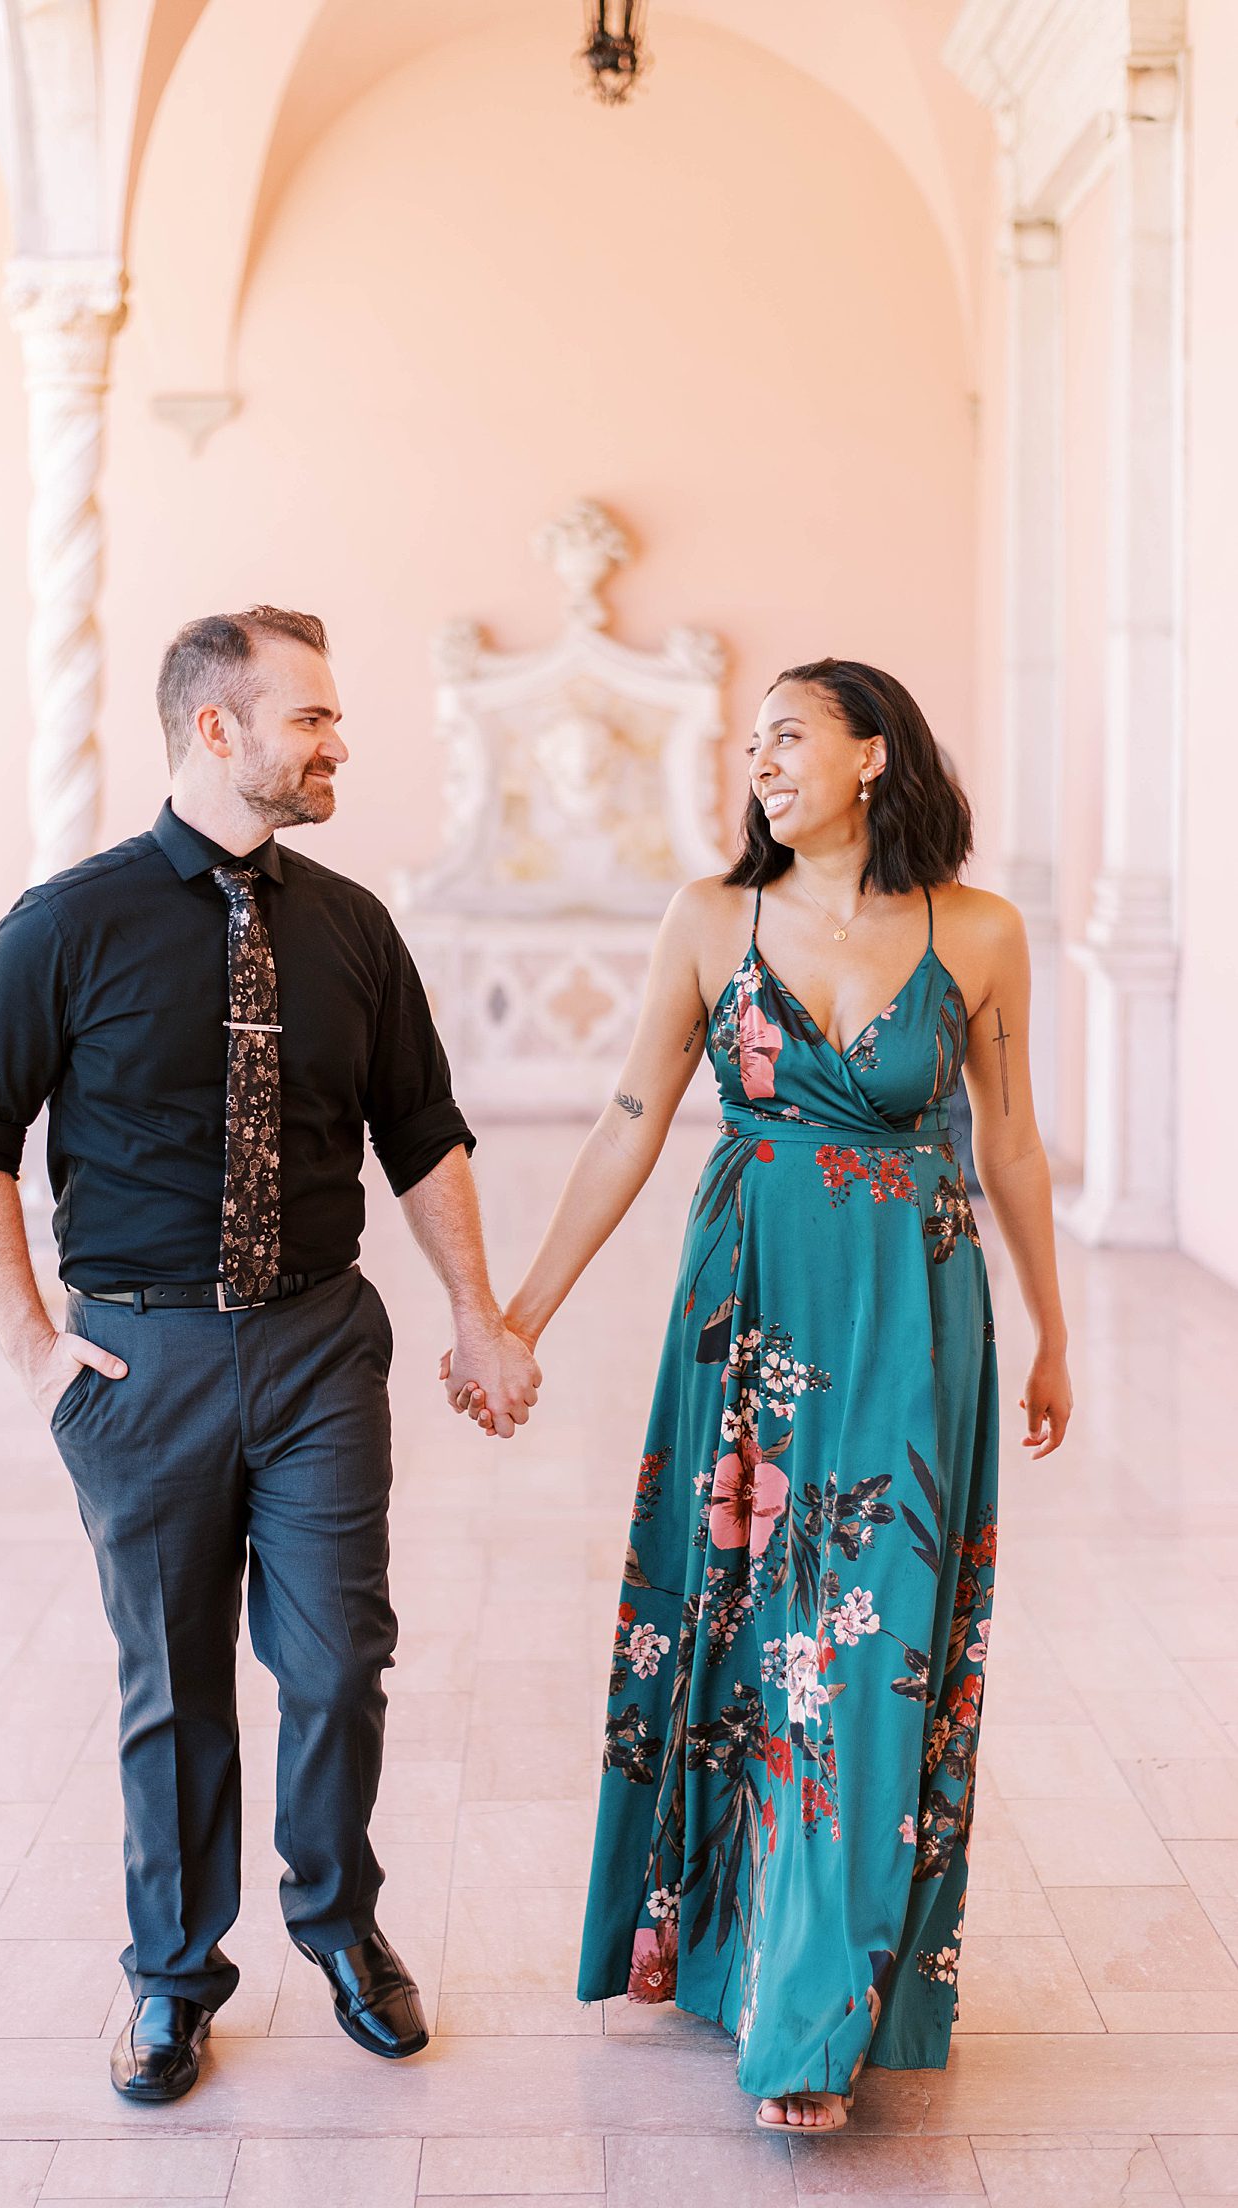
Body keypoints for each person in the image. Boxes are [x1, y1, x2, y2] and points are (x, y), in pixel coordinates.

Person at [0, 608, 540, 2102]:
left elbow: (423, 1136)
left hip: (324, 1346)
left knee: (340, 1662)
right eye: (312, 718)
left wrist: (474, 1308)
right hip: (141, 1367)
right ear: (219, 730)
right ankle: (173, 1979)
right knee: (173, 1682)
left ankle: (338, 1924)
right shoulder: (63, 927)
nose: (338, 744)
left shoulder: (351, 926)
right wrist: (32, 1352)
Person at [449, 657, 1072, 2132]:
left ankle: (813, 2013)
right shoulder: (706, 917)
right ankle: (737, 1951)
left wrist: (1053, 1331)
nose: (761, 762)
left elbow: (1018, 1147)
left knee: (873, 1647)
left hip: (918, 1318)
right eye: (753, 743)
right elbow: (626, 1124)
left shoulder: (978, 932)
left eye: (788, 737)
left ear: (873, 755)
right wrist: (515, 1314)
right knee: (743, 1622)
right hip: (749, 1312)